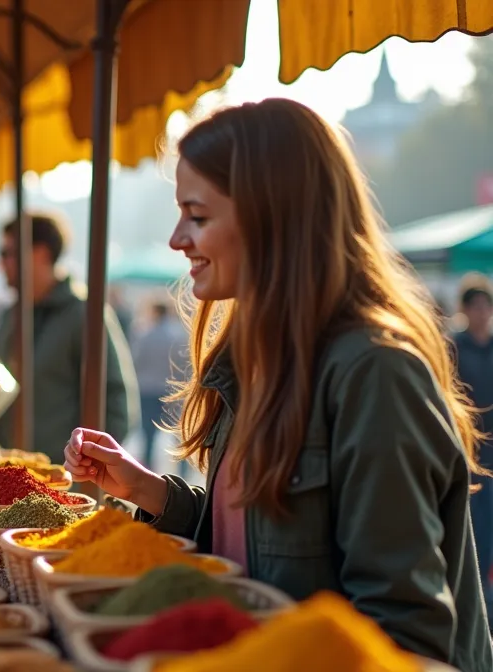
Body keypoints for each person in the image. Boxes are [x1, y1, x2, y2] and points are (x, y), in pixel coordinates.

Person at [64, 98, 493, 670]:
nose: (176, 239)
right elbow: (252, 548)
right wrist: (149, 491)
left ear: (272, 219)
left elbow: (403, 635)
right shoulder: (253, 361)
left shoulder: (374, 373)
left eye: (197, 216)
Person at [0, 213, 138, 456]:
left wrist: (86, 465)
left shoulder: (85, 314)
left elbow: (115, 403)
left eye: (7, 253)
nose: (2, 262)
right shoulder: (11, 316)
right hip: (11, 467)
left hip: (62, 473)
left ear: (40, 254)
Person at [453, 274, 493, 621]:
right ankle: (476, 605)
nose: (482, 312)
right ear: (465, 310)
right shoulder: (454, 347)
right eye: (475, 306)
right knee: (473, 530)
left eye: (486, 306)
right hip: (468, 454)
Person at [130, 298, 189, 471]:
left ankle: (148, 470)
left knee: (148, 434)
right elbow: (185, 365)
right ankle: (182, 471)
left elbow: (136, 361)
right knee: (179, 434)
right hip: (172, 390)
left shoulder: (145, 334)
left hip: (148, 389)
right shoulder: (178, 336)